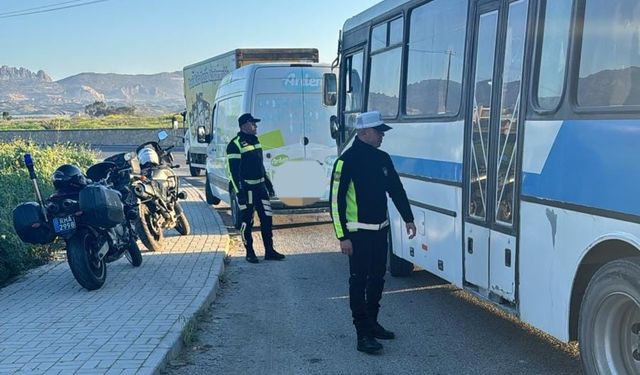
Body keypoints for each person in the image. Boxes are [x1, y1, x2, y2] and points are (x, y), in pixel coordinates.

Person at [330, 110, 417, 354]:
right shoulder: (345, 162)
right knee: (359, 282)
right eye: (379, 131)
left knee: (378, 279)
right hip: (357, 235)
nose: (382, 136)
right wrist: (342, 236)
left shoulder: (383, 158)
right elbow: (335, 203)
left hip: (381, 231)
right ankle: (362, 334)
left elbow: (396, 189)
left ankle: (373, 323)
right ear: (364, 132)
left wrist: (408, 218)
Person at [226, 113, 285, 263]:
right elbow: (233, 172)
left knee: (267, 218)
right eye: (253, 123)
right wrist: (239, 192)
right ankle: (250, 252)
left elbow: (260, 166)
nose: (256, 126)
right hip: (247, 189)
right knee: (247, 221)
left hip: (260, 188)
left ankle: (269, 251)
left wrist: (268, 183)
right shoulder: (235, 144)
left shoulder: (256, 141)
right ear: (244, 125)